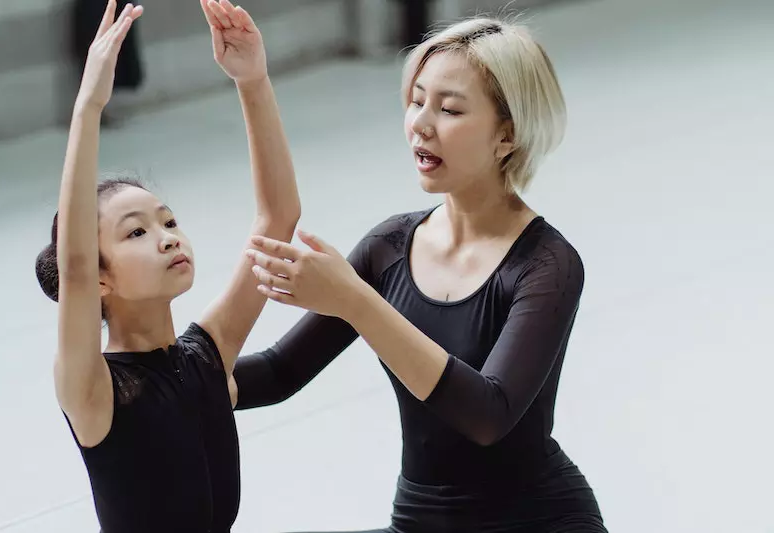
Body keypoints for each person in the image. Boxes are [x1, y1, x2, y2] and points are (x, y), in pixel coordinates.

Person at [236, 17, 608, 533]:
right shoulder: (390, 246)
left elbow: (488, 413)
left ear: (507, 135)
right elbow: (279, 372)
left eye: (449, 109)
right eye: (416, 101)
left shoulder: (548, 264)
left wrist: (355, 302)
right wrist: (157, 378)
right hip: (419, 521)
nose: (421, 125)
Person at [34, 1, 300, 531]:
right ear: (101, 277)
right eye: (137, 232)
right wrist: (89, 107)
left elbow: (278, 218)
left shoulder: (207, 355)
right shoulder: (95, 391)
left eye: (169, 222)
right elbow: (77, 266)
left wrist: (253, 80)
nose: (168, 239)